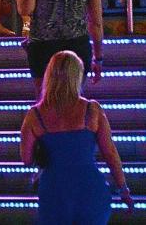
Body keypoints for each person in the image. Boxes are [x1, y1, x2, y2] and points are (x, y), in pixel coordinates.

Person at [20, 51, 134, 224]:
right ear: (77, 76)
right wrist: (123, 189)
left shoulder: (34, 115)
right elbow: (110, 153)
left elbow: (27, 159)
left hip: (54, 192)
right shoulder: (92, 110)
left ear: (49, 76)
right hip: (90, 190)